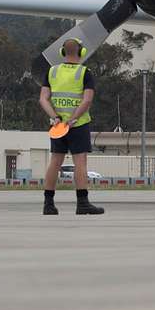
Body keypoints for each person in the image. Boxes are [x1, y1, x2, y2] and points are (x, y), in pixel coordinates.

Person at [39, 39, 104, 215]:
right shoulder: (84, 73)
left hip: (58, 125)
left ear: (62, 52)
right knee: (80, 162)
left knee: (55, 162)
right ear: (81, 52)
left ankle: (48, 204)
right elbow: (87, 100)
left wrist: (54, 117)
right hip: (78, 124)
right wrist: (74, 118)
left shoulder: (52, 71)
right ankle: (82, 203)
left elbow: (43, 98)